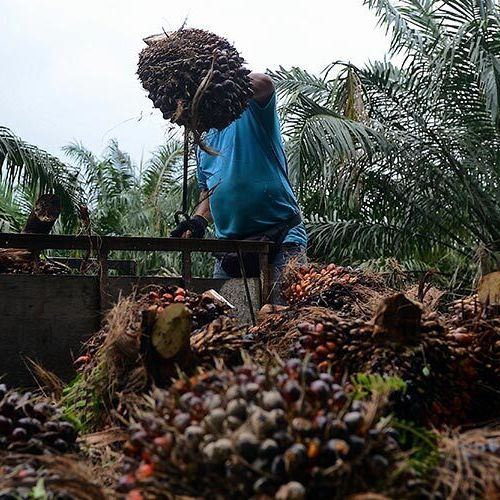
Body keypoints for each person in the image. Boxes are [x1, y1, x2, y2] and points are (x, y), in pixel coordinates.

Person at [171, 73, 307, 304]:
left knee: (283, 319)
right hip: (230, 250)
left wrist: (215, 79)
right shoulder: (202, 142)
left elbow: (265, 84)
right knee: (223, 320)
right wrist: (198, 220)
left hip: (281, 240)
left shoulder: (249, 112)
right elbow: (209, 193)